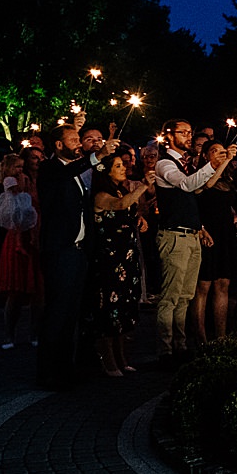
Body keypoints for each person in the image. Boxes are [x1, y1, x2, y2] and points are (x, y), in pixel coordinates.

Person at [37, 119, 116, 390]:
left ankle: (67, 367)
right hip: (60, 250)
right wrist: (98, 155)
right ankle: (48, 372)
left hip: (79, 250)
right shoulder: (49, 169)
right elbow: (70, 171)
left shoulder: (75, 172)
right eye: (73, 141)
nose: (78, 145)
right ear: (58, 145)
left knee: (72, 313)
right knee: (57, 312)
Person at [154, 119, 236, 363]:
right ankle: (166, 350)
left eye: (190, 132)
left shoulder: (186, 164)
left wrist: (219, 165)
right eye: (183, 132)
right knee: (170, 296)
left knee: (185, 296)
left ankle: (180, 345)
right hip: (174, 235)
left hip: (191, 235)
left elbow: (200, 190)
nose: (189, 136)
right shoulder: (164, 164)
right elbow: (187, 186)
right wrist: (212, 164)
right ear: (168, 136)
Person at [88, 152, 154, 377]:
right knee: (109, 308)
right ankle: (108, 358)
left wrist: (139, 219)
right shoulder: (100, 195)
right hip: (109, 258)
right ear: (106, 171)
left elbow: (128, 208)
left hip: (126, 256)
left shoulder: (123, 189)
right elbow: (119, 205)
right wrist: (143, 186)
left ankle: (122, 356)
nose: (124, 168)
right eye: (118, 166)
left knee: (125, 305)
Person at [191, 141, 237, 343]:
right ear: (205, 156)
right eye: (215, 151)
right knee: (203, 286)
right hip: (208, 233)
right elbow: (207, 186)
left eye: (222, 151)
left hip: (225, 234)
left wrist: (235, 214)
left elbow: (226, 203)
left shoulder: (228, 179)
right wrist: (226, 160)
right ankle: (201, 337)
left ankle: (221, 336)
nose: (221, 155)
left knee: (223, 283)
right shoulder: (202, 177)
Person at [0, 154, 41, 350]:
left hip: (34, 234)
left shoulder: (30, 182)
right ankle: (9, 334)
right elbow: (15, 209)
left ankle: (34, 333)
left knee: (37, 290)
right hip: (16, 236)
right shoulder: (12, 184)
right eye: (17, 167)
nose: (21, 171)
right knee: (15, 291)